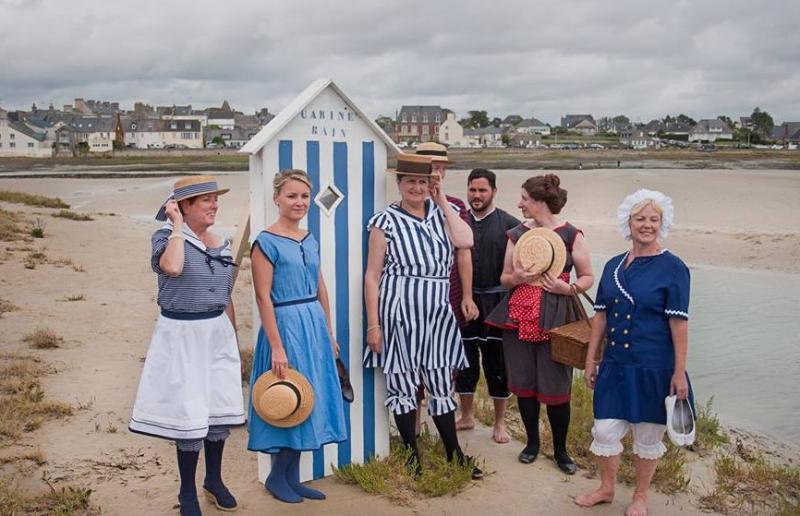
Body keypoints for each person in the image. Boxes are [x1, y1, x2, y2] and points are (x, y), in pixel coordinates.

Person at [129, 175, 245, 516]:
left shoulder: (220, 242)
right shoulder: (166, 238)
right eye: (206, 200)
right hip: (182, 334)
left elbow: (226, 297)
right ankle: (187, 491)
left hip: (216, 332)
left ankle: (214, 480)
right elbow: (173, 267)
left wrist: (234, 344)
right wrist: (177, 225)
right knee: (190, 415)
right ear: (183, 207)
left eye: (215, 199)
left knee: (218, 410)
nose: (214, 205)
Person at [575, 189, 694, 516]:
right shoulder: (614, 264)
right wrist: (591, 359)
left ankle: (640, 496)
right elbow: (600, 316)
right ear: (628, 222)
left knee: (647, 434)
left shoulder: (674, 268)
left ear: (662, 223)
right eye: (640, 218)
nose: (647, 225)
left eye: (654, 219)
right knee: (604, 429)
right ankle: (606, 488)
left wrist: (679, 371)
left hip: (653, 366)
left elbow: (679, 325)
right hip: (615, 365)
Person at [364, 153, 482, 479]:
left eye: (422, 181)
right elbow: (372, 275)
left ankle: (453, 453)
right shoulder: (383, 221)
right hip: (399, 312)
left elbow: (466, 241)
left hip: (438, 313)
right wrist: (374, 324)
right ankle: (412, 456)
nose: (416, 187)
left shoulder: (446, 214)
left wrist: (440, 197)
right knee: (403, 384)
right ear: (399, 184)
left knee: (442, 382)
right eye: (410, 181)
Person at [247, 169, 347, 504]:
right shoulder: (265, 242)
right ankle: (277, 477)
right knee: (286, 394)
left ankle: (292, 476)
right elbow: (263, 297)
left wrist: (329, 332)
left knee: (309, 397)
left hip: (313, 325)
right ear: (276, 198)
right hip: (285, 325)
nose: (299, 202)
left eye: (304, 196)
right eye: (291, 196)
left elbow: (320, 286)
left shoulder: (308, 237)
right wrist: (276, 345)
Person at [487, 174, 593, 475]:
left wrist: (567, 289)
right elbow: (504, 278)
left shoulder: (571, 234)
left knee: (558, 385)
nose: (519, 204)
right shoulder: (517, 234)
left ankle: (560, 451)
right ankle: (532, 444)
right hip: (518, 317)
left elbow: (587, 277)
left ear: (540, 202)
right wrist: (517, 278)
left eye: (524, 198)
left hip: (556, 316)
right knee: (524, 386)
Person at [415, 142, 478, 434]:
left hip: (448, 292)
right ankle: (413, 427)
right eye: (430, 168)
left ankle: (445, 427)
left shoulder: (456, 205)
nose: (436, 173)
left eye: (440, 168)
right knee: (412, 361)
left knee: (445, 359)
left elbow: (464, 249)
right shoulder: (406, 201)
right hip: (412, 296)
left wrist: (467, 295)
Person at [454, 168, 519, 444]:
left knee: (497, 364)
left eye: (482, 190)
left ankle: (500, 422)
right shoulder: (458, 220)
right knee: (465, 361)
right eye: (472, 190)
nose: (476, 195)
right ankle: (467, 415)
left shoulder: (511, 225)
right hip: (464, 300)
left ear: (494, 191)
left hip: (497, 301)